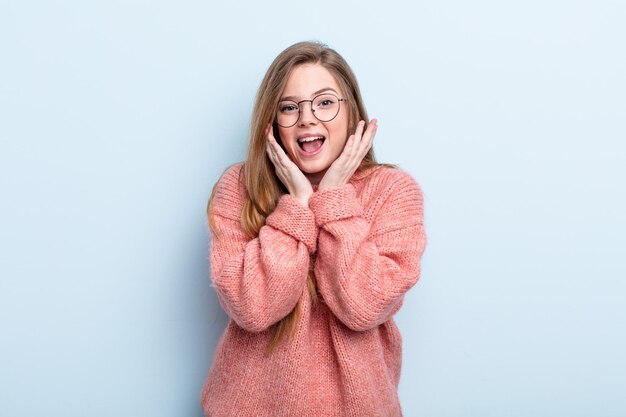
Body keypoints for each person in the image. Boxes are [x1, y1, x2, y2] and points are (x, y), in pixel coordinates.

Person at [201, 41, 427, 417]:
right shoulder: (239, 187)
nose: (307, 118)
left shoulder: (393, 191)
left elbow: (364, 307)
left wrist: (334, 197)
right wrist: (299, 205)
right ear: (272, 122)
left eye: (324, 102)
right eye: (290, 107)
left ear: (351, 110)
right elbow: (253, 308)